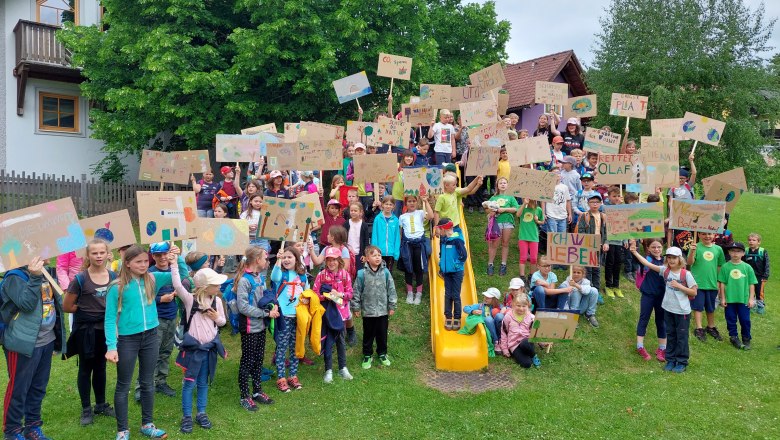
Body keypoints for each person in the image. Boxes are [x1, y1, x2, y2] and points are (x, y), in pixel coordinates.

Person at [105, 244, 188, 440]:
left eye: (145, 261)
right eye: (138, 262)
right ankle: (123, 430)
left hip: (151, 336)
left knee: (148, 381)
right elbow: (109, 319)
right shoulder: (116, 287)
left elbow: (182, 278)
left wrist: (178, 257)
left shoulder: (153, 278)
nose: (143, 265)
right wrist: (111, 346)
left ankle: (147, 424)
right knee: (123, 385)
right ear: (127, 263)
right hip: (127, 339)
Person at [1, 256, 66, 440]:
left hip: (46, 340)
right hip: (23, 342)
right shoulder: (14, 277)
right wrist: (36, 276)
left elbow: (57, 304)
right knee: (19, 388)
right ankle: (12, 432)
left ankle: (32, 428)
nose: (48, 253)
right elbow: (27, 304)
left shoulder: (48, 273)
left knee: (38, 388)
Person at [63, 240, 116, 426]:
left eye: (102, 252)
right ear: (88, 256)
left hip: (106, 330)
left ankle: (100, 404)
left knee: (101, 367)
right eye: (95, 253)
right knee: (85, 369)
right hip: (86, 331)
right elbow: (67, 306)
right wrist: (86, 311)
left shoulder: (113, 276)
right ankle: (86, 408)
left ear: (107, 253)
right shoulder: (80, 279)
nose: (99, 256)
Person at [170, 262, 227, 434]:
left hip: (208, 350)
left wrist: (217, 317)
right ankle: (187, 416)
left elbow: (223, 322)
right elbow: (177, 285)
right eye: (215, 284)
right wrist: (173, 264)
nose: (219, 286)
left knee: (203, 383)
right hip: (193, 352)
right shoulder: (190, 300)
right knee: (189, 384)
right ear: (205, 286)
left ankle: (201, 413)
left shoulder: (217, 300)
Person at [630, 244, 698, 373]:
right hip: (668, 309)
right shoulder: (665, 271)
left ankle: (681, 361)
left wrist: (679, 286)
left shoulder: (686, 274)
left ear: (680, 259)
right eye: (669, 258)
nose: (671, 260)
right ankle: (670, 360)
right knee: (671, 335)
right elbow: (647, 264)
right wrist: (634, 252)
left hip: (682, 311)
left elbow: (694, 292)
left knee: (681, 336)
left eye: (674, 258)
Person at [233, 246, 277, 411]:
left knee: (258, 359)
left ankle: (257, 391)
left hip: (260, 327)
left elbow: (264, 297)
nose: (267, 261)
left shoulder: (258, 277)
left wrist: (273, 305)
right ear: (257, 260)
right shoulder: (244, 280)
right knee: (247, 362)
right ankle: (244, 396)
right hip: (250, 328)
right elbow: (243, 307)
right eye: (265, 258)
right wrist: (265, 313)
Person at [138, 241, 180, 401]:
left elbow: (184, 282)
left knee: (165, 352)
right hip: (155, 319)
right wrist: (160, 299)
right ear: (153, 256)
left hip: (171, 316)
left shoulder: (173, 270)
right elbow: (141, 296)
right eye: (158, 255)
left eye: (165, 254)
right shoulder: (149, 273)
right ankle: (141, 388)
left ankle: (160, 381)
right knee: (150, 354)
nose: (162, 257)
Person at [351, 246, 397, 369]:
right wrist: (356, 308)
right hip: (368, 311)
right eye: (374, 255)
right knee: (368, 334)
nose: (377, 257)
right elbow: (356, 292)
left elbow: (391, 289)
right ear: (366, 258)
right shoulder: (361, 274)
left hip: (382, 311)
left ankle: (382, 353)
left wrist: (391, 305)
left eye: (379, 255)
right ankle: (367, 355)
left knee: (382, 334)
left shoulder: (386, 272)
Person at [313, 247, 354, 383]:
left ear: (339, 260)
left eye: (334, 260)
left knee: (341, 341)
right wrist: (326, 297)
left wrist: (339, 295)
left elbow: (350, 294)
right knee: (328, 342)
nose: (331, 263)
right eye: (329, 260)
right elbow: (315, 294)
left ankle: (343, 367)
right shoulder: (321, 275)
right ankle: (328, 370)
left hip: (341, 315)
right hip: (326, 314)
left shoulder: (345, 275)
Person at [271, 246, 308, 393]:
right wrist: (277, 260)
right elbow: (274, 277)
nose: (286, 260)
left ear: (296, 259)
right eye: (284, 257)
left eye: (289, 257)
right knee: (281, 347)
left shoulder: (302, 276)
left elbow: (307, 293)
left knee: (295, 347)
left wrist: (306, 300)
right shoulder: (281, 274)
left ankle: (293, 375)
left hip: (298, 316)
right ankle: (281, 378)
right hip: (283, 316)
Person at [687, 232, 725, 343]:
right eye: (704, 234)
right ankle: (699, 328)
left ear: (714, 235)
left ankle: (711, 326)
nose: (707, 236)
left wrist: (719, 281)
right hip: (697, 284)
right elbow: (689, 263)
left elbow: (719, 266)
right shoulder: (695, 246)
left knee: (710, 307)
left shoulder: (718, 249)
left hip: (712, 283)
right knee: (698, 306)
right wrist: (692, 252)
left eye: (709, 234)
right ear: (698, 235)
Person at [718, 242, 757, 350]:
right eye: (733, 251)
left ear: (743, 253)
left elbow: (751, 283)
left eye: (738, 251)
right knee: (730, 318)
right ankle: (733, 337)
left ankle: (746, 337)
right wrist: (723, 298)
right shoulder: (725, 267)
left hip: (743, 299)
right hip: (730, 299)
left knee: (745, 319)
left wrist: (751, 298)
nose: (735, 254)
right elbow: (722, 283)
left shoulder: (747, 267)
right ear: (729, 252)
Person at [634, 238, 668, 362]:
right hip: (648, 295)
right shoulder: (646, 260)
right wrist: (634, 251)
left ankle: (662, 348)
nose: (656, 249)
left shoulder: (666, 261)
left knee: (661, 321)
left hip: (662, 296)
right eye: (653, 247)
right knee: (644, 319)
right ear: (648, 248)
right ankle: (640, 346)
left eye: (659, 247)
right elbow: (640, 262)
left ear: (662, 247)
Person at [399, 195, 434, 305]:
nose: (412, 203)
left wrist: (425, 202)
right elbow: (401, 232)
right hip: (408, 244)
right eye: (409, 201)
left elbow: (431, 216)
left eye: (414, 201)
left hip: (419, 244)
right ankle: (410, 292)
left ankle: (418, 293)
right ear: (406, 203)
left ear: (417, 202)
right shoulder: (402, 216)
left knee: (419, 268)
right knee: (408, 268)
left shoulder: (420, 213)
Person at [437, 218, 468, 331]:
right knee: (447, 294)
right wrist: (441, 264)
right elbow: (443, 254)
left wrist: (456, 265)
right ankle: (448, 316)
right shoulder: (445, 239)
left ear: (444, 229)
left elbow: (464, 255)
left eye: (439, 229)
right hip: (447, 272)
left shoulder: (457, 240)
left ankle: (457, 317)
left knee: (455, 295)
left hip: (456, 272)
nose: (439, 232)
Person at [486, 177, 519, 276]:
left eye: (505, 183)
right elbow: (487, 210)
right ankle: (490, 264)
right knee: (494, 244)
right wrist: (491, 212)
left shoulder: (511, 197)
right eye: (501, 183)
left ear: (508, 185)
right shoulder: (493, 198)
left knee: (505, 243)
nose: (503, 184)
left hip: (508, 222)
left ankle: (503, 264)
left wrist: (504, 210)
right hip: (497, 222)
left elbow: (516, 209)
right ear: (497, 185)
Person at [433, 174, 484, 240]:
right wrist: (437, 227)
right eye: (454, 185)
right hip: (445, 227)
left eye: (456, 184)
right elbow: (436, 212)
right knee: (446, 245)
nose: (456, 186)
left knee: (458, 243)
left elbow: (468, 189)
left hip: (455, 225)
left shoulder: (456, 192)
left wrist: (476, 179)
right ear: (446, 186)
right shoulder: (441, 197)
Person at [497, 295, 541, 368]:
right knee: (527, 364)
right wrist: (505, 349)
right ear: (513, 305)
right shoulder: (508, 317)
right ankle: (526, 355)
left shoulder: (531, 317)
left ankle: (534, 356)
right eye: (518, 306)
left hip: (527, 342)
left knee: (525, 343)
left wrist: (542, 341)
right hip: (514, 344)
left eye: (524, 306)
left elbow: (536, 332)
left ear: (528, 306)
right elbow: (504, 333)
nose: (521, 308)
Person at [577, 194, 608, 294]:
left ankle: (596, 291)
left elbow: (606, 231)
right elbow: (581, 231)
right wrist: (588, 242)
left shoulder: (603, 216)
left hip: (599, 247)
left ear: (600, 203)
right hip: (588, 246)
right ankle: (588, 289)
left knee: (597, 269)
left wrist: (606, 242)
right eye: (592, 202)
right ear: (588, 203)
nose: (595, 204)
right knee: (588, 269)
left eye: (597, 202)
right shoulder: (585, 216)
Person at [604, 187, 627, 298]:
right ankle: (608, 285)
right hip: (610, 240)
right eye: (614, 196)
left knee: (618, 263)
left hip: (619, 240)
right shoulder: (605, 208)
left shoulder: (623, 209)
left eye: (618, 196)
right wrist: (606, 241)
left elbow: (625, 223)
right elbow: (606, 226)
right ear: (609, 197)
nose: (616, 198)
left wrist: (625, 239)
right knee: (610, 263)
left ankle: (616, 286)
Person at [517, 200, 545, 284]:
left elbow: (542, 221)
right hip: (523, 236)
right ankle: (522, 276)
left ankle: (531, 275)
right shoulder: (522, 207)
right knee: (523, 257)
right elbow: (518, 214)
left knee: (533, 258)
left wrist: (537, 221)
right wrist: (524, 203)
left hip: (533, 237)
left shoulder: (538, 209)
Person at [371, 196, 401, 272]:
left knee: (388, 273)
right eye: (386, 204)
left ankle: (388, 284)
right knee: (378, 273)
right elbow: (374, 235)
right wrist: (374, 251)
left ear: (393, 206)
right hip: (379, 253)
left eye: (390, 204)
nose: (388, 206)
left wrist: (396, 253)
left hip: (391, 252)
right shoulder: (378, 218)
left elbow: (397, 237)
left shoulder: (395, 220)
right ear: (382, 205)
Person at [743, 233, 770, 314]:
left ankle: (760, 306)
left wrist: (766, 275)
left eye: (754, 240)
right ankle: (751, 304)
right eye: (749, 240)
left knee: (759, 292)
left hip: (760, 276)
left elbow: (767, 264)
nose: (751, 242)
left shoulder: (763, 251)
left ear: (759, 242)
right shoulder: (746, 251)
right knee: (749, 291)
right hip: (748, 276)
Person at [344, 201, 371, 272]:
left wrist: (365, 255)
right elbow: (343, 238)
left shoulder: (364, 225)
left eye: (355, 211)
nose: (353, 212)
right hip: (348, 253)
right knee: (347, 272)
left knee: (359, 273)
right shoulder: (346, 223)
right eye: (351, 210)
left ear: (360, 212)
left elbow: (366, 241)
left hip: (359, 254)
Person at [546, 169, 572, 237]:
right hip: (551, 215)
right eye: (554, 173)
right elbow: (543, 201)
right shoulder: (547, 186)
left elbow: (568, 200)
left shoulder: (564, 187)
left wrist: (570, 214)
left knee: (562, 237)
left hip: (562, 216)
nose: (557, 174)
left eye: (558, 173)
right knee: (552, 236)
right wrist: (543, 213)